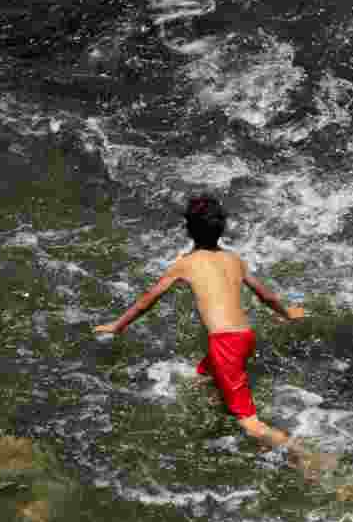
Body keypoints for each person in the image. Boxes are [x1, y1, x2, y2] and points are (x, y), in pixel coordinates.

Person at [94, 195, 322, 464]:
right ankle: (229, 420)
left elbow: (147, 301)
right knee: (203, 378)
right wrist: (287, 313)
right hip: (245, 336)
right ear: (222, 228)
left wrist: (117, 326)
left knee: (250, 424)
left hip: (225, 343)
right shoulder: (234, 259)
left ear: (187, 229)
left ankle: (305, 456)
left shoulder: (185, 264)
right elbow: (266, 296)